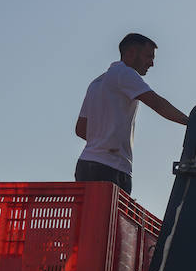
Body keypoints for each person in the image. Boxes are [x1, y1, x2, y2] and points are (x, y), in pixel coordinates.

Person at [74, 33, 188, 194]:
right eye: (148, 56)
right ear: (131, 53)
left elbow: (81, 129)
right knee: (110, 218)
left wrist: (104, 139)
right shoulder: (125, 73)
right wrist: (192, 122)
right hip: (111, 167)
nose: (152, 63)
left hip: (87, 164)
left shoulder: (97, 82)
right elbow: (157, 104)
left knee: (90, 218)